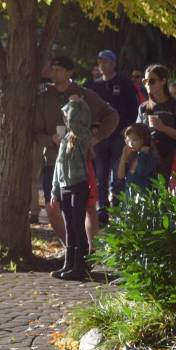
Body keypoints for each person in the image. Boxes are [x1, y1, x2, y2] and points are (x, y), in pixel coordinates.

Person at [34, 56, 118, 244]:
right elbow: (36, 131)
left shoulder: (84, 94)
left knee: (88, 207)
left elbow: (111, 115)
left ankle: (91, 252)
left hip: (81, 159)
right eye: (52, 69)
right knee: (52, 207)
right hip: (53, 159)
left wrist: (95, 137)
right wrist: (50, 139)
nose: (54, 72)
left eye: (59, 69)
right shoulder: (44, 96)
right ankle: (69, 248)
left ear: (70, 73)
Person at [87, 49, 140, 223]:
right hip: (100, 137)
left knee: (118, 175)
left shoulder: (124, 82)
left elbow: (133, 108)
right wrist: (94, 129)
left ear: (113, 64)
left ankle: (116, 209)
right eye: (100, 62)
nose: (102, 65)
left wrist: (126, 130)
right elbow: (90, 111)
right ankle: (103, 210)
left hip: (119, 136)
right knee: (101, 175)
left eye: (106, 62)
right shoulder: (95, 85)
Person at [50, 95, 93, 281]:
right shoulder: (66, 137)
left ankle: (81, 265)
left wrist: (75, 105)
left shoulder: (81, 135)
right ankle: (69, 263)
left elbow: (78, 123)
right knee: (69, 225)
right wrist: (55, 189)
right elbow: (59, 164)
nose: (66, 119)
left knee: (78, 223)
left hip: (78, 183)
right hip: (65, 185)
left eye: (68, 116)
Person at [137, 64, 176, 180]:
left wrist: (163, 128)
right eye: (145, 81)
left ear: (163, 81)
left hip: (171, 161)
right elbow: (137, 135)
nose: (147, 84)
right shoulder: (143, 107)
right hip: (148, 162)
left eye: (152, 81)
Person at [116, 123, 159, 194]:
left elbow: (141, 171)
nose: (131, 143)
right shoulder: (132, 155)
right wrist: (123, 155)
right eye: (128, 140)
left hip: (144, 201)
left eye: (134, 140)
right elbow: (120, 176)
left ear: (144, 139)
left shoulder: (149, 156)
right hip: (130, 200)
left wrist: (142, 154)